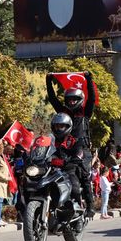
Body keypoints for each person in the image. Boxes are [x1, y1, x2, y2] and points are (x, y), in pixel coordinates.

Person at [46, 71, 96, 217]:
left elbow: (92, 98)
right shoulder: (63, 112)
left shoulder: (85, 113)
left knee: (85, 176)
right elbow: (52, 99)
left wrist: (88, 78)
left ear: (80, 99)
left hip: (82, 149)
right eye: (70, 99)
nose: (72, 102)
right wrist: (49, 81)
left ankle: (90, 206)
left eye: (75, 99)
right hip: (64, 149)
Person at [51, 113, 86, 209]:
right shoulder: (51, 139)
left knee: (75, 188)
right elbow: (42, 149)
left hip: (68, 169)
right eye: (57, 126)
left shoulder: (73, 140)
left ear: (68, 126)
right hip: (51, 170)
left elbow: (79, 151)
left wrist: (76, 157)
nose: (58, 129)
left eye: (61, 126)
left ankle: (79, 205)